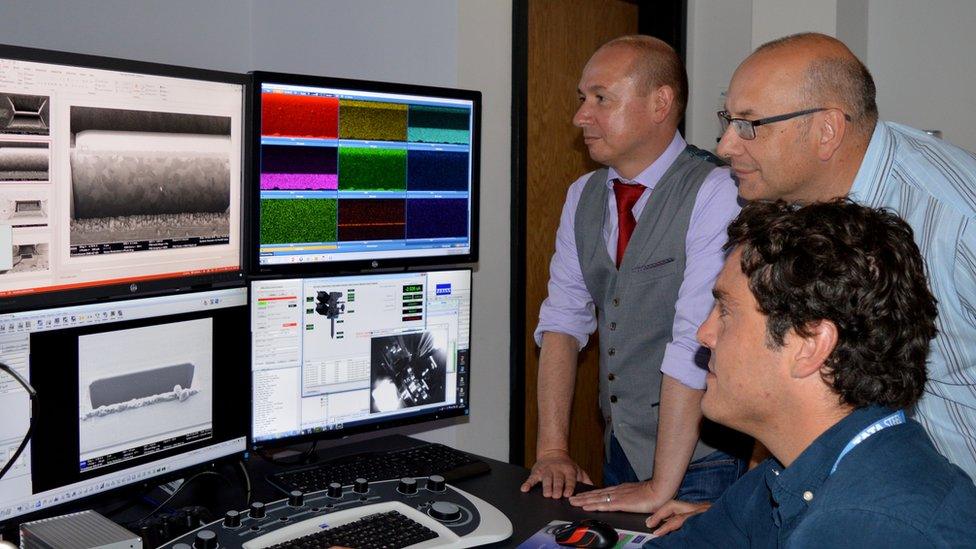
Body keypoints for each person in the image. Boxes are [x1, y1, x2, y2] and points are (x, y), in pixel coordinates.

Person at [713, 32, 976, 482]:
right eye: (728, 120)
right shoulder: (793, 206)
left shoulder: (954, 216)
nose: (724, 146)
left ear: (827, 130)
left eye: (749, 125)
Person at [645, 199, 976, 547]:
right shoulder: (797, 469)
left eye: (726, 311)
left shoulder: (863, 529)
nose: (704, 333)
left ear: (810, 345)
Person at [520, 34, 746, 513]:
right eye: (583, 99)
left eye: (602, 98)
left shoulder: (717, 190)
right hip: (620, 451)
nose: (581, 115)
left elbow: (693, 342)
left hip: (702, 468)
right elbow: (562, 321)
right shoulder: (582, 194)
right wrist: (553, 450)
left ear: (660, 103)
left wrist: (661, 485)